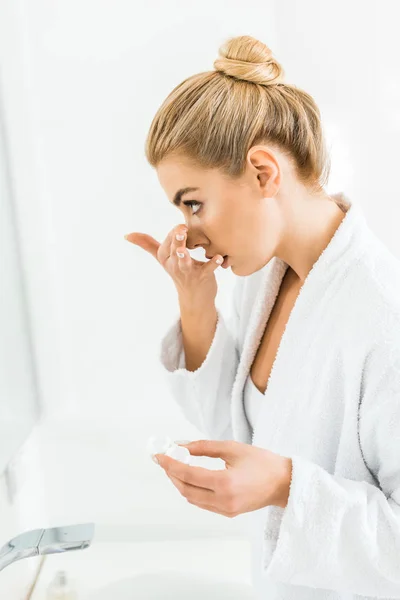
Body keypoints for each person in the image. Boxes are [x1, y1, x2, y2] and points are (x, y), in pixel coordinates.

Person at [125, 35, 400, 599]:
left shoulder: (382, 315)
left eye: (193, 201)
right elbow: (240, 439)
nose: (189, 230)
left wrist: (284, 485)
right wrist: (195, 300)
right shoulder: (268, 279)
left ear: (263, 172)